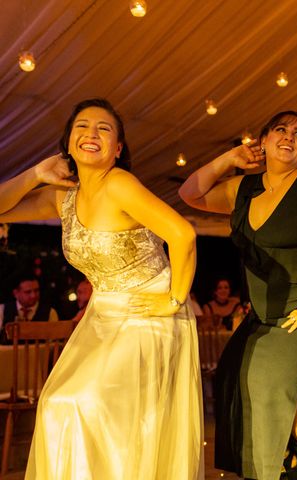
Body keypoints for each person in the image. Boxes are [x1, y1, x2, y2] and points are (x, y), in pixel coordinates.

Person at [0, 98, 204, 479]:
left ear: (118, 148)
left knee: (85, 404)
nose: (91, 134)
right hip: (104, 316)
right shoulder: (64, 197)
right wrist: (35, 174)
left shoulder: (120, 184)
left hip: (149, 314)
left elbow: (183, 235)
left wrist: (175, 300)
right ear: (68, 142)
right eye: (82, 126)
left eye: (104, 128)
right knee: (56, 403)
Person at [179, 111, 297, 480]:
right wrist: (228, 159)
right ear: (263, 141)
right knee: (231, 376)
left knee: (270, 381)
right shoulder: (244, 188)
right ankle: (286, 465)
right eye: (280, 130)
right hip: (263, 315)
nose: (290, 136)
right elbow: (189, 193)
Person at [0, 273, 59, 344]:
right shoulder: (2, 310)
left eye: (36, 291)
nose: (33, 296)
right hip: (8, 354)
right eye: (28, 292)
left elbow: (53, 344)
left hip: (40, 355)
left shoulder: (50, 312)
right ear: (16, 293)